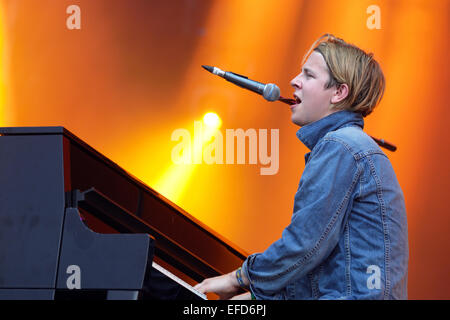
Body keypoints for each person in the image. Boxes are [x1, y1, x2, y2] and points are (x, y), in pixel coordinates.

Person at [194, 34, 408, 300]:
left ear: (339, 92)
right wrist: (258, 296)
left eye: (308, 75)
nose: (294, 80)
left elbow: (304, 245)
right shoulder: (350, 146)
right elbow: (321, 266)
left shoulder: (341, 145)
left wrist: (239, 277)